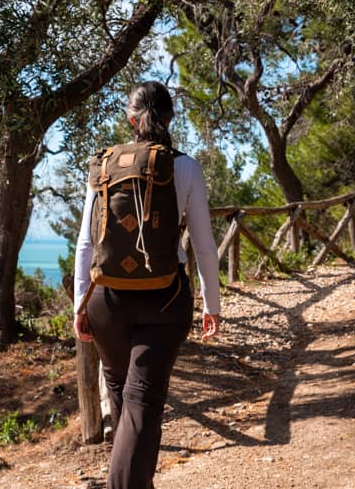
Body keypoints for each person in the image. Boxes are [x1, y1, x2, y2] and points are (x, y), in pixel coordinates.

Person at [73, 80, 221, 489]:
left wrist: (79, 306)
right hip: (164, 297)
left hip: (106, 299)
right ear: (170, 117)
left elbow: (86, 243)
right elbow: (204, 244)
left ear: (130, 117)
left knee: (123, 394)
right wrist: (212, 303)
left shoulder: (103, 163)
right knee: (143, 403)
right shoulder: (185, 166)